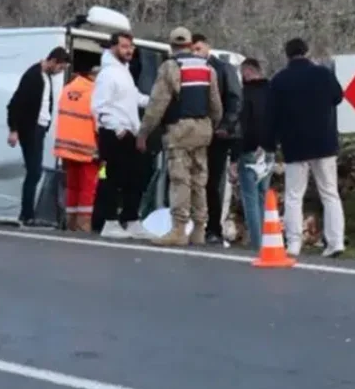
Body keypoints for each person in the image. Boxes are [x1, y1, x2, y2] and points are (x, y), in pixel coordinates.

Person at [138, 27, 222, 247]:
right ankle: (199, 229)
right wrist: (212, 124)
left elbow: (157, 104)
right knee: (199, 180)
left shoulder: (170, 67)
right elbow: (216, 105)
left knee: (180, 180)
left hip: (180, 130)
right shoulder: (206, 68)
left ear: (171, 45)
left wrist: (144, 132)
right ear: (190, 43)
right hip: (203, 128)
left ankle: (178, 229)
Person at [266, 38, 345, 258]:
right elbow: (338, 97)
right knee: (330, 193)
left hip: (295, 144)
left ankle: (293, 243)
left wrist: (271, 143)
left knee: (294, 195)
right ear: (307, 52)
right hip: (324, 142)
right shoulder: (323, 74)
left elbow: (271, 115)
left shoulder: (279, 80)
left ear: (287, 55)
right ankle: (335, 241)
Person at [91, 32, 152, 239]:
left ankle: (131, 219)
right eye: (125, 46)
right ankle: (109, 221)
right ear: (113, 48)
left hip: (129, 132)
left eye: (131, 46)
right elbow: (99, 107)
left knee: (135, 177)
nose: (129, 50)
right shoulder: (108, 74)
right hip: (114, 133)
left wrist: (154, 101)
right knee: (112, 178)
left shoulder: (124, 72)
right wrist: (117, 129)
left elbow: (133, 97)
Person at [6, 46, 71, 225]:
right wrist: (14, 129)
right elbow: (15, 104)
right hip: (31, 129)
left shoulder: (46, 77)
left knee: (35, 171)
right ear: (53, 61)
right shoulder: (33, 77)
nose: (60, 72)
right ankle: (26, 213)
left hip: (39, 128)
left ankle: (28, 213)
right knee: (34, 171)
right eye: (61, 68)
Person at [191, 33, 242, 244]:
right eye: (192, 49)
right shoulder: (184, 69)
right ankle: (193, 226)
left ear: (207, 48)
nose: (195, 53)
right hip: (193, 133)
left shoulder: (222, 69)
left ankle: (213, 228)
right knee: (191, 181)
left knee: (212, 183)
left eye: (198, 49)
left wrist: (225, 127)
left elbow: (235, 99)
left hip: (217, 135)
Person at [53, 63, 100, 232]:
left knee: (72, 186)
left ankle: (70, 223)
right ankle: (83, 226)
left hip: (67, 147)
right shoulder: (95, 92)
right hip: (88, 148)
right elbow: (98, 122)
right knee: (88, 188)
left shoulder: (68, 88)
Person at [235, 58, 275, 250]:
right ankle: (267, 240)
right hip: (269, 151)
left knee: (250, 198)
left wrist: (236, 154)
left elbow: (246, 125)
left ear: (248, 72)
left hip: (250, 151)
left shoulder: (245, 94)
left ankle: (257, 243)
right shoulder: (273, 92)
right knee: (262, 196)